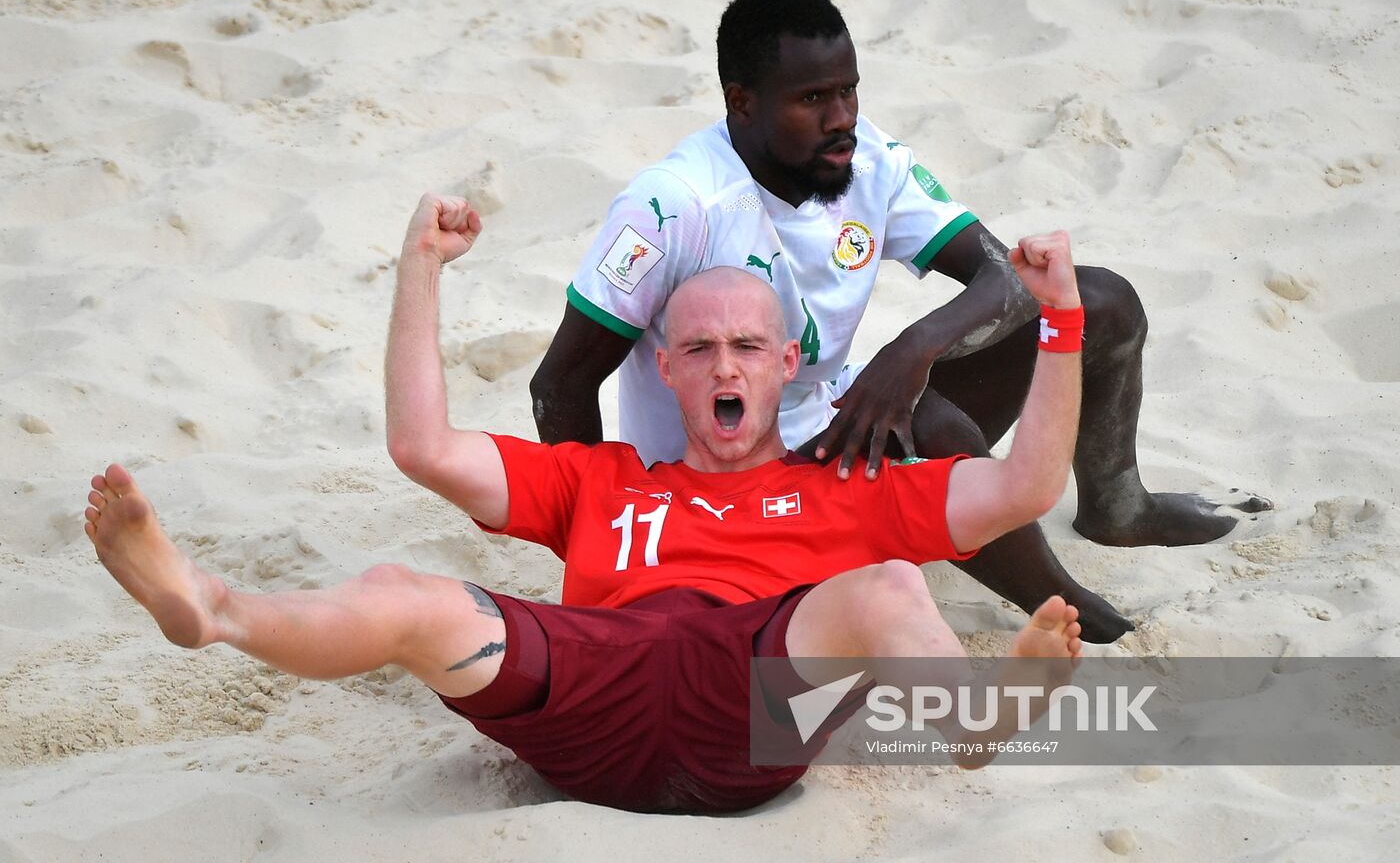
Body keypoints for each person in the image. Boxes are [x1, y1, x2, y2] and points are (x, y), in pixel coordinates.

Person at [86, 194, 1087, 814]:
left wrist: (1060, 322)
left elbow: (1024, 486)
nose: (723, 365)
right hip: (585, 694)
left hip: (749, 709)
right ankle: (212, 610)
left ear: (788, 365)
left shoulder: (846, 486)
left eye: (746, 347)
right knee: (409, 594)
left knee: (883, 585)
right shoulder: (603, 478)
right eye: (697, 349)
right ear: (665, 369)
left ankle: (972, 726)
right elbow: (421, 449)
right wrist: (420, 270)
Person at [530, 0, 1270, 644]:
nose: (842, 117)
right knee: (934, 427)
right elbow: (558, 385)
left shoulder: (867, 160)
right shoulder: (672, 206)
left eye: (849, 90)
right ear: (742, 102)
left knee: (1101, 302)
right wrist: (614, 541)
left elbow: (1006, 276)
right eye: (813, 99)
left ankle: (1117, 506)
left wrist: (912, 348)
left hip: (832, 411)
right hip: (718, 489)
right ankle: (1066, 602)